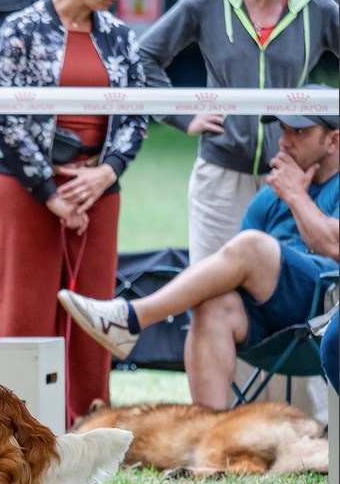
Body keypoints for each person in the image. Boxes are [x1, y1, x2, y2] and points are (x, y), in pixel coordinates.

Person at [59, 109, 338, 410]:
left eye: (299, 133)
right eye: (282, 130)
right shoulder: (270, 197)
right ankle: (209, 442)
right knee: (210, 306)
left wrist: (296, 195)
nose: (283, 142)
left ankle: (132, 318)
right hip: (271, 321)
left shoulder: (300, 190)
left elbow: (332, 244)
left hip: (325, 308)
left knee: (251, 244)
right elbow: (239, 267)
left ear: (333, 141)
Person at [0, 0, 147, 426]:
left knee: (94, 314)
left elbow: (137, 113)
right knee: (24, 316)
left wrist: (105, 174)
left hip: (97, 189)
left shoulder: (121, 36)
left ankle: (90, 425)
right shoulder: (22, 29)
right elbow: (5, 119)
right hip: (24, 188)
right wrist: (49, 193)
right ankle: (18, 428)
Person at [138, 0, 339, 265]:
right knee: (210, 298)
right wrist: (181, 116)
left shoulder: (315, 4)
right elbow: (143, 57)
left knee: (281, 304)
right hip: (219, 180)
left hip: (289, 180)